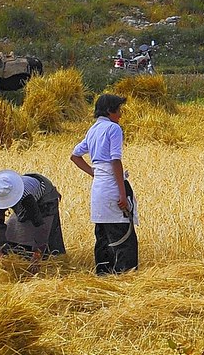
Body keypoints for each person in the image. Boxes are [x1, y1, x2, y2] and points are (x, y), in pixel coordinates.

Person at [70, 94, 138, 275]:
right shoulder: (113, 129)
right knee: (123, 236)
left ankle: (103, 274)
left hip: (99, 187)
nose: (120, 114)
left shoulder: (93, 129)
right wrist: (122, 194)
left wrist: (94, 172)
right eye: (119, 110)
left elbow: (75, 156)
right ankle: (124, 277)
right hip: (112, 187)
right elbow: (116, 161)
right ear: (110, 110)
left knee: (102, 235)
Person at [0, 169, 66, 261]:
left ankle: (52, 258)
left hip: (45, 198)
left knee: (46, 230)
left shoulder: (26, 198)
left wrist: (37, 254)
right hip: (29, 195)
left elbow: (39, 224)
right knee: (13, 230)